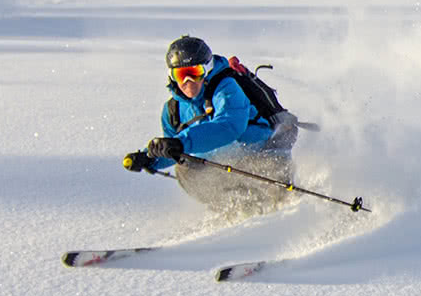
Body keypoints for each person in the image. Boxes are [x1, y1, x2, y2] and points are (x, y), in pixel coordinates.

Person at [121, 36, 300, 215]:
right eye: (181, 75)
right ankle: (236, 211)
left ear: (207, 70)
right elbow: (175, 149)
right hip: (223, 169)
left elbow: (228, 127)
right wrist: (150, 158)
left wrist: (181, 143)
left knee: (276, 188)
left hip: (262, 156)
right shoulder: (172, 110)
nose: (187, 82)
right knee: (184, 169)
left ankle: (288, 211)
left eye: (194, 73)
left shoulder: (227, 88)